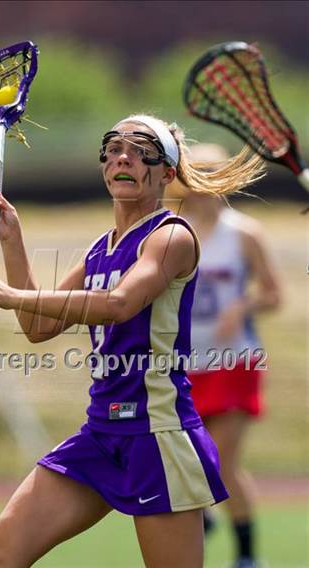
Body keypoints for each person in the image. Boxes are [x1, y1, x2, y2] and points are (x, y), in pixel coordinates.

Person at [0, 115, 266, 568]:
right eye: (113, 149)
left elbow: (119, 304)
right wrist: (13, 241)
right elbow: (36, 327)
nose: (122, 157)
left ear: (167, 173)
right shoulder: (99, 249)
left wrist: (11, 295)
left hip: (158, 436)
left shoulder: (171, 237)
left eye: (141, 150)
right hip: (102, 433)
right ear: (105, 168)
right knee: (3, 551)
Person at [166, 143, 281, 568]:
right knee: (186, 460)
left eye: (213, 170)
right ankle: (204, 517)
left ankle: (247, 556)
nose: (204, 180)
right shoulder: (172, 230)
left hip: (234, 361)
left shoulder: (244, 233)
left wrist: (243, 306)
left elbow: (273, 294)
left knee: (224, 462)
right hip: (185, 363)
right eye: (196, 171)